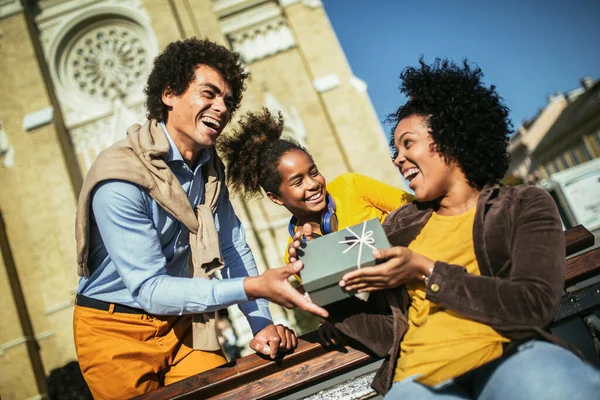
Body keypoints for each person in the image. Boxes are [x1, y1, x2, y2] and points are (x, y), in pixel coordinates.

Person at [315, 59, 600, 399]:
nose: (397, 159)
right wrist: (319, 281)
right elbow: (385, 334)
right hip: (417, 382)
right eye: (396, 149)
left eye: (408, 143)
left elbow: (533, 303)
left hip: (509, 357)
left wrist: (426, 270)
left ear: (450, 138)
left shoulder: (522, 204)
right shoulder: (397, 227)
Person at [73, 38, 327, 400]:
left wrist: (262, 323)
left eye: (227, 100)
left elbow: (232, 245)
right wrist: (252, 287)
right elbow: (150, 289)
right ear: (170, 94)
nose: (221, 108)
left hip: (183, 320)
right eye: (208, 94)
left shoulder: (209, 167)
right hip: (114, 329)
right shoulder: (119, 178)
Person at [218, 108, 413, 267]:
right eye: (297, 182)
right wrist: (314, 261)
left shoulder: (351, 185)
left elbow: (416, 210)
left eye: (313, 172)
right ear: (276, 198)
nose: (313, 184)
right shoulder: (295, 252)